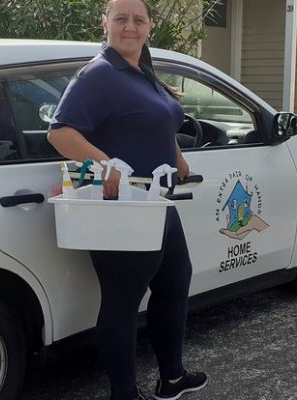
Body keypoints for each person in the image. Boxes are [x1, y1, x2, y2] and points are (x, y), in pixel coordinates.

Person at [46, 0, 208, 399]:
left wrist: (176, 154)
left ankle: (171, 379)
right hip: (121, 208)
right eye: (121, 19)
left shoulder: (141, 71)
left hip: (155, 202)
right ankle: (124, 393)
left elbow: (154, 121)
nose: (130, 27)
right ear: (106, 24)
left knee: (174, 283)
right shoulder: (98, 74)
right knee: (122, 302)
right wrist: (106, 164)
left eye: (138, 19)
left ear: (149, 25)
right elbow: (60, 133)